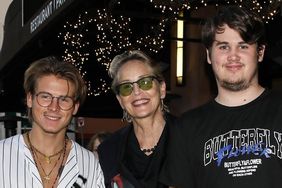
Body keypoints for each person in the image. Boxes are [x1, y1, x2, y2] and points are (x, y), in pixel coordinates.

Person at [160, 5, 282, 188]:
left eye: (243, 46)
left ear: (260, 53)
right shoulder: (186, 127)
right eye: (224, 46)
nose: (233, 56)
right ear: (209, 55)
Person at [0, 56, 105, 188]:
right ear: (30, 99)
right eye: (45, 97)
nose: (54, 107)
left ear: (75, 107)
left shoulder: (90, 164)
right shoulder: (2, 154)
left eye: (64, 99)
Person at [97, 50, 174, 188]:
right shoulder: (109, 150)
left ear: (162, 89)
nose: (137, 92)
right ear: (120, 100)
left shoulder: (190, 137)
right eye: (127, 87)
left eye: (145, 82)